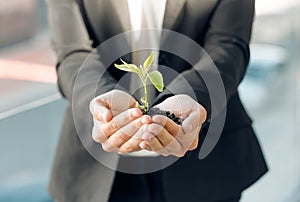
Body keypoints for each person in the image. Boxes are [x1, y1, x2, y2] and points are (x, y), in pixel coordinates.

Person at [46, 0, 268, 201]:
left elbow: (227, 46)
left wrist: (188, 96)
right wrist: (101, 103)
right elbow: (72, 53)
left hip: (206, 168)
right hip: (97, 174)